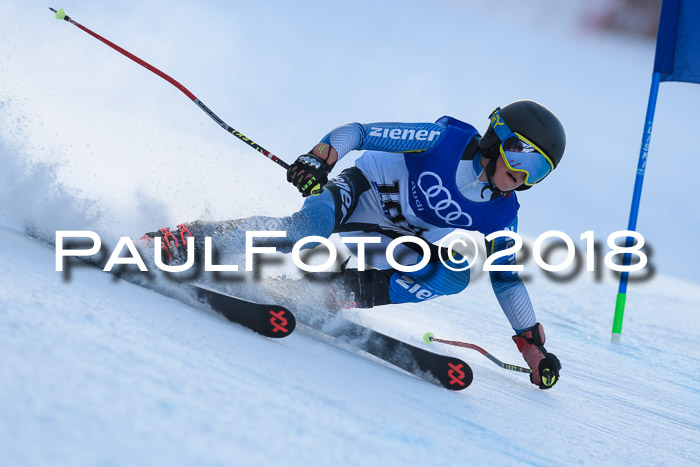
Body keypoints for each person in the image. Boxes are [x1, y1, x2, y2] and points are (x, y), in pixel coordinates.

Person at [144, 100, 564, 389]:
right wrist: (320, 157)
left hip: (397, 241)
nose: (522, 175)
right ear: (497, 138)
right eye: (520, 154)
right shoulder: (444, 141)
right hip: (361, 194)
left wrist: (530, 343)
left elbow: (506, 278)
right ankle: (188, 240)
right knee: (301, 233)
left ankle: (331, 294)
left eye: (539, 169)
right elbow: (359, 133)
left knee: (453, 273)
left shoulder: (502, 212)